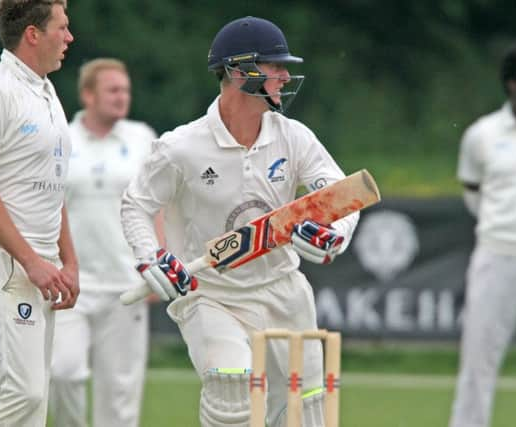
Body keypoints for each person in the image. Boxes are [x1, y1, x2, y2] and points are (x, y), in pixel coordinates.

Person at [121, 16, 359, 427]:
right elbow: (136, 205)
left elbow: (344, 198)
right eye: (275, 66)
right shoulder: (181, 147)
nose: (285, 75)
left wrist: (332, 235)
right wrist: (151, 257)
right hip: (211, 293)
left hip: (284, 293)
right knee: (232, 386)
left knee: (310, 411)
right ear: (237, 71)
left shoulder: (293, 137)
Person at [0, 1, 78, 426]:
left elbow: (51, 185)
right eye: (62, 27)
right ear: (33, 34)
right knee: (23, 396)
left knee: (29, 409)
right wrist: (30, 261)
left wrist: (68, 261)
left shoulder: (46, 94)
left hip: (42, 266)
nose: (69, 37)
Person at [48, 58, 159, 427]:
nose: (121, 97)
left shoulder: (142, 137)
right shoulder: (60, 138)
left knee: (120, 392)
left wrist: (157, 261)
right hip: (71, 283)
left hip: (126, 282)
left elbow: (158, 203)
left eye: (125, 90)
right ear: (88, 95)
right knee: (64, 372)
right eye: (112, 90)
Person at [449, 41, 516, 427]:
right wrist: (503, 230)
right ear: (512, 83)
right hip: (496, 256)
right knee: (477, 361)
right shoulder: (481, 135)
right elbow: (474, 195)